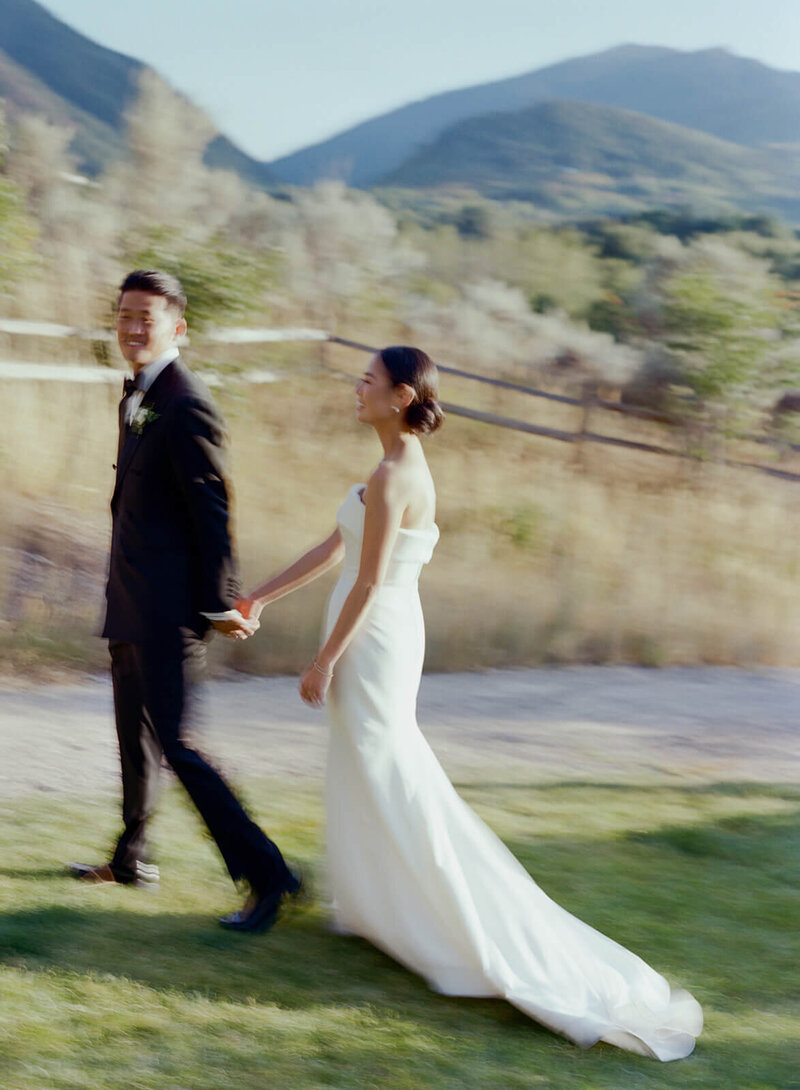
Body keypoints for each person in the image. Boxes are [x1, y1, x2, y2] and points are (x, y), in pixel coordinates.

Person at [238, 344, 703, 1059]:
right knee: (368, 773)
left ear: (400, 397)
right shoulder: (383, 470)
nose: (355, 387)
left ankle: (464, 930)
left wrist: (322, 661)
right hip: (372, 634)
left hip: (375, 638)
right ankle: (383, 911)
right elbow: (334, 546)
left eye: (368, 380)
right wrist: (258, 598)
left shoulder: (398, 476)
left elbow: (365, 584)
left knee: (397, 777)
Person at [68, 269, 300, 933]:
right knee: (132, 739)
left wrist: (220, 601)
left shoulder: (187, 400)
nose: (133, 328)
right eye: (125, 315)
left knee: (178, 746)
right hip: (129, 600)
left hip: (169, 612)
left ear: (179, 326)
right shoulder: (138, 394)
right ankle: (132, 859)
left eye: (147, 316)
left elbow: (212, 509)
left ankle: (268, 874)